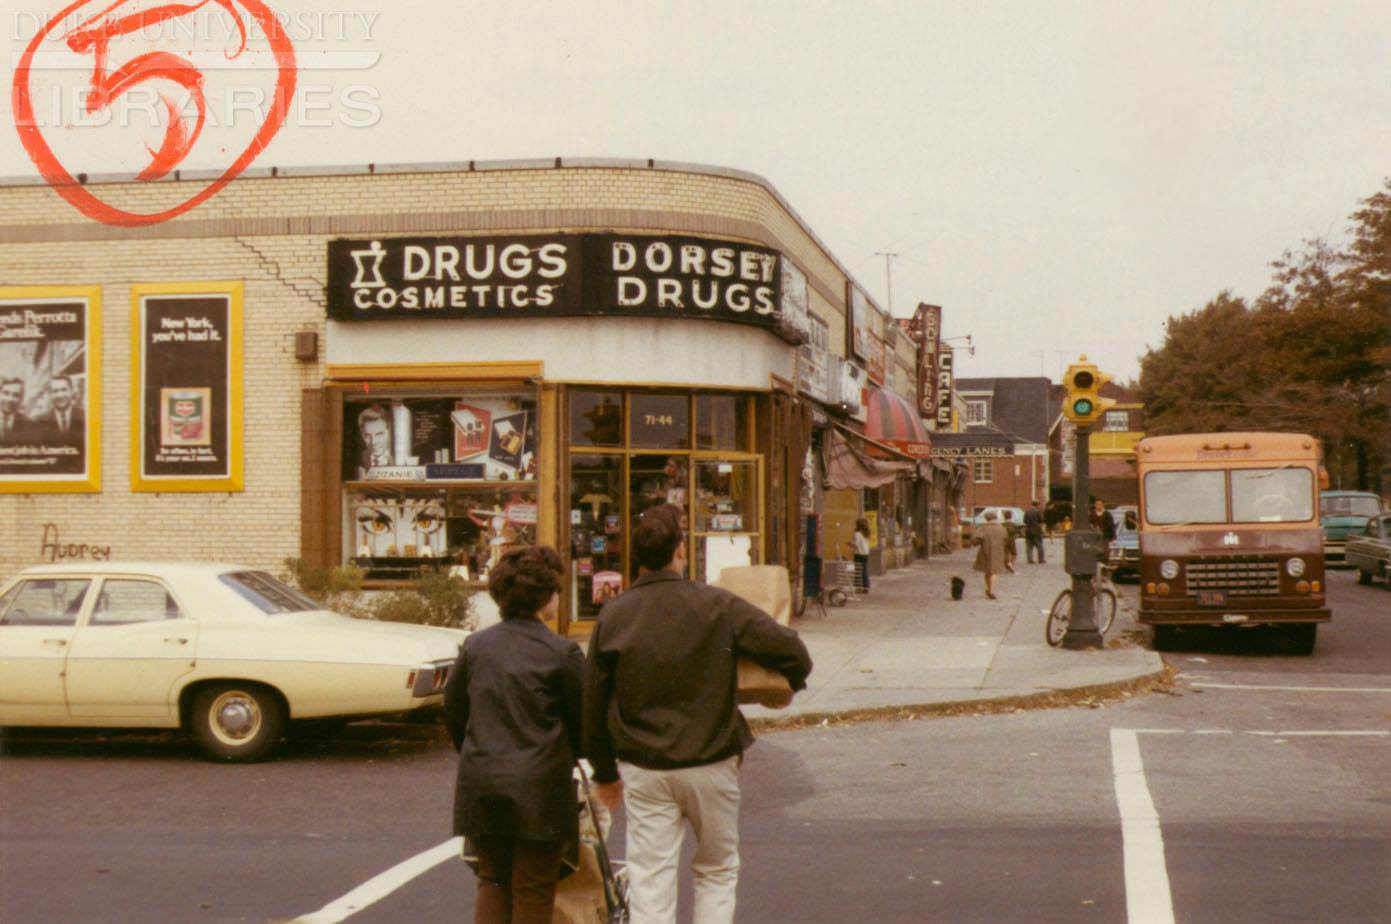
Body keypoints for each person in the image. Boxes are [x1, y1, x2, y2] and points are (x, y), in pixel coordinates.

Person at [583, 504, 812, 924]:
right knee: (716, 869)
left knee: (651, 876)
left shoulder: (614, 615)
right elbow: (791, 649)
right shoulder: (716, 605)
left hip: (644, 766)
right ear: (681, 551)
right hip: (711, 758)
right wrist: (787, 686)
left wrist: (605, 773)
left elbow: (593, 703)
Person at [444, 546, 583, 924]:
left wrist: (477, 749)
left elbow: (455, 712)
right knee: (535, 885)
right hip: (541, 788)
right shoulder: (562, 652)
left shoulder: (475, 647)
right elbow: (582, 724)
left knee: (492, 879)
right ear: (546, 596)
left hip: (483, 779)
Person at [972, 509, 1008, 599]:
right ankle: (991, 590)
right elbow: (1006, 539)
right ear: (995, 518)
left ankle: (989, 588)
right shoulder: (1002, 528)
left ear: (986, 518)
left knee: (987, 571)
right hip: (999, 552)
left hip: (985, 551)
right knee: (995, 571)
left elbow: (975, 541)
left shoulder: (983, 527)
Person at [355, 404, 393, 478]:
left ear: (390, 432)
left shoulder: (399, 457)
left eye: (379, 434)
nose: (374, 442)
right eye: (367, 436)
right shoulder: (359, 462)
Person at [0, 377, 35, 444]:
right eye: (6, 393)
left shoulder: (29, 424)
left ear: (21, 399)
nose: (10, 399)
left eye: (16, 395)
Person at [850, 518, 871, 593]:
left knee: (858, 571)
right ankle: (866, 588)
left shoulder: (857, 534)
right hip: (866, 554)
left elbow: (856, 545)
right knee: (864, 571)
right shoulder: (866, 533)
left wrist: (850, 544)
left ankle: (858, 588)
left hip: (859, 554)